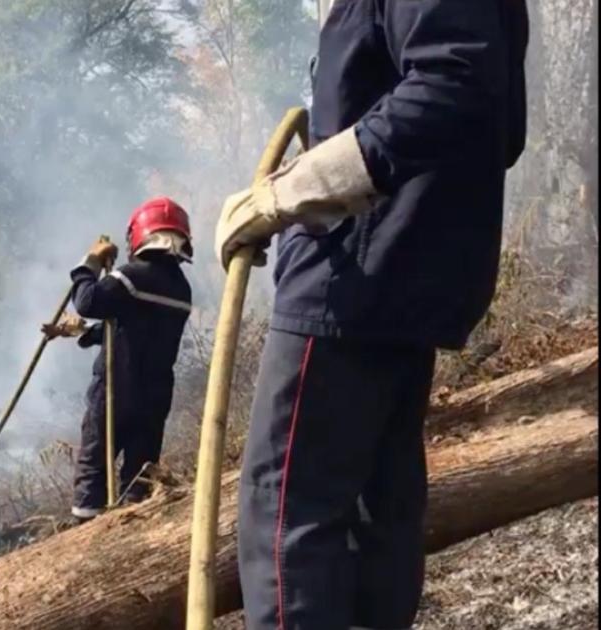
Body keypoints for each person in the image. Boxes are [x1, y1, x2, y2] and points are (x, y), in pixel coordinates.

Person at [214, 2, 528, 628]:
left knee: (286, 515)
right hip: (404, 275)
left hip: (348, 278)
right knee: (373, 522)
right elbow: (501, 127)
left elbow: (453, 80)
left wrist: (289, 194)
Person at [44, 196, 193, 522]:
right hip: (155, 395)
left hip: (117, 389)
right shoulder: (181, 289)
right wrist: (85, 332)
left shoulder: (131, 276)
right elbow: (135, 330)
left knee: (94, 465)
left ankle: (85, 540)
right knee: (140, 474)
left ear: (139, 236)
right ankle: (133, 536)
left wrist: (90, 263)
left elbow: (87, 300)